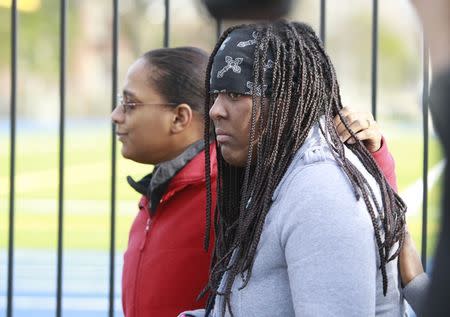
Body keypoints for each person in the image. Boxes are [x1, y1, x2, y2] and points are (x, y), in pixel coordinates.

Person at [180, 20, 408, 316]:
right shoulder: (283, 172)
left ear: (285, 100)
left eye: (235, 95)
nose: (215, 110)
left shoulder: (322, 192)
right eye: (216, 94)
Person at [111, 47, 217, 317]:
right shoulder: (162, 188)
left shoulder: (223, 197)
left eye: (129, 104)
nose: (116, 115)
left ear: (179, 118)